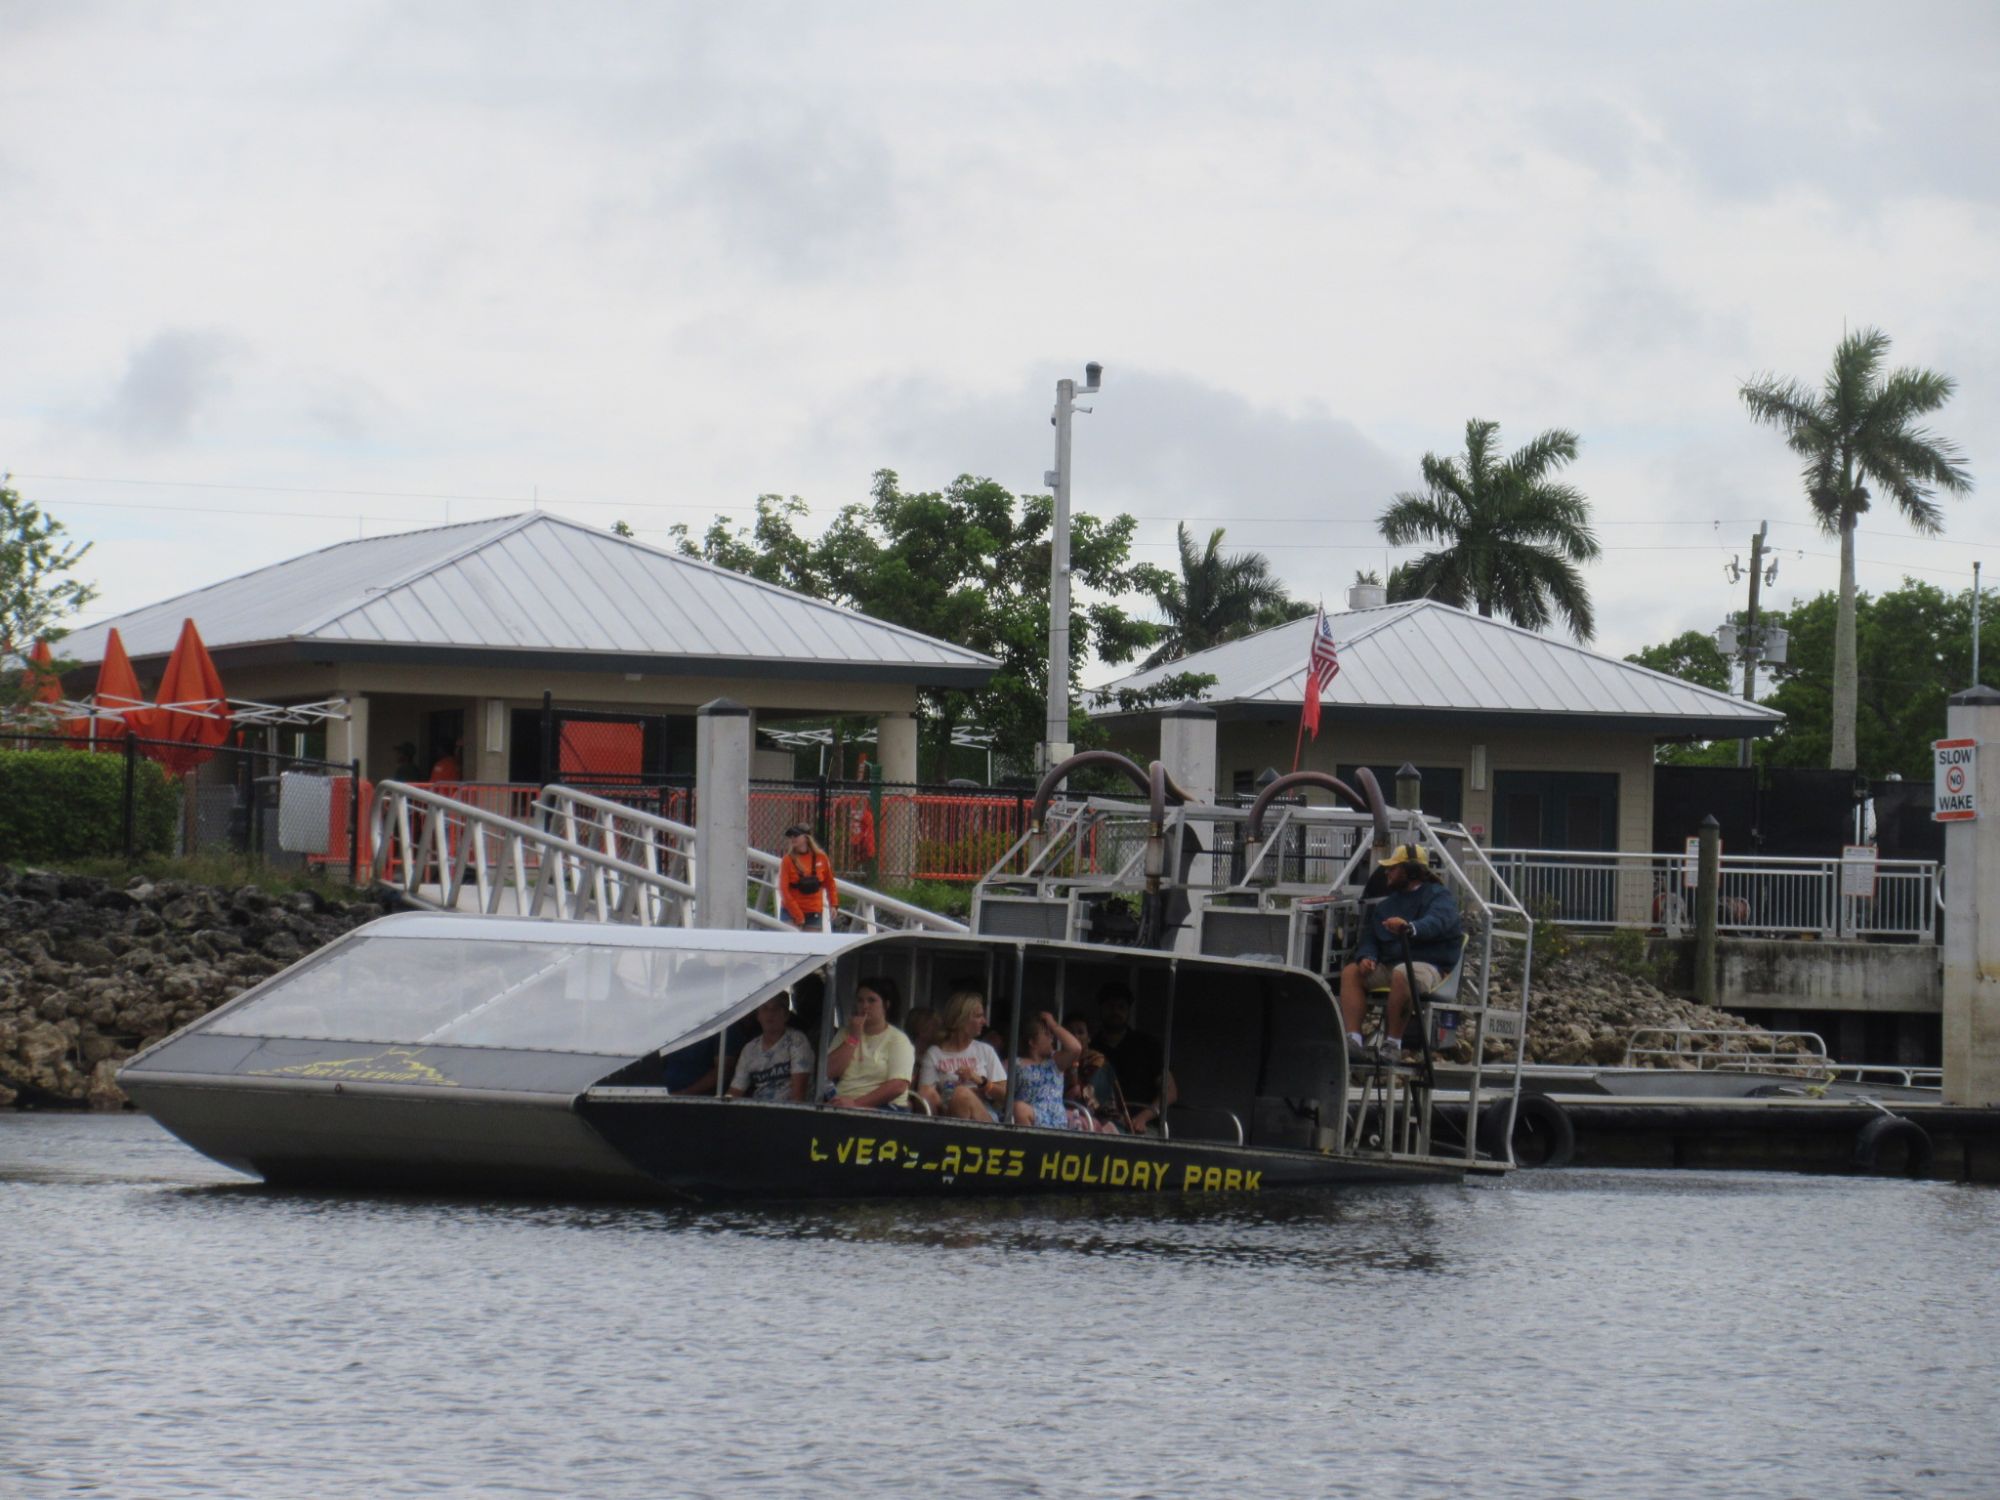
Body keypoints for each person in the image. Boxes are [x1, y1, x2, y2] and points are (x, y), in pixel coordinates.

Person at [1339, 843, 1463, 1063]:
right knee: (1351, 973)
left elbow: (1437, 922)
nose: (1387, 872)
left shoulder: (1439, 896)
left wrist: (1409, 928)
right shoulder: (1386, 906)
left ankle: (1392, 1044)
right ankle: (1353, 1041)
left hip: (1429, 967)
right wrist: (1367, 957)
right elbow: (1370, 937)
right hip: (1392, 965)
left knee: (1403, 973)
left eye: (1393, 868)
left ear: (1411, 871)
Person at [1093, 983, 1176, 1133]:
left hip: (1142, 1127)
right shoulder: (1092, 1047)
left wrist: (1144, 1117)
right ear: (1101, 1009)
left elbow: (1170, 1091)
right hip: (1099, 1125)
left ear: (1128, 1011)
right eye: (1110, 1007)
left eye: (1121, 1007)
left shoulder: (1147, 1045)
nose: (1116, 1012)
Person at [916, 989, 1007, 1122]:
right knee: (933, 1093)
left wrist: (978, 1080)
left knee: (961, 1093)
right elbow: (925, 1095)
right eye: (978, 1016)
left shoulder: (985, 1050)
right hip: (946, 1113)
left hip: (983, 1114)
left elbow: (1005, 1096)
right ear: (961, 1019)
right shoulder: (935, 1053)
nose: (984, 1021)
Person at [825, 976, 913, 1110]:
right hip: (842, 1103)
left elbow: (898, 1085)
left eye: (872, 1000)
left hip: (883, 1107)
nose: (865, 1006)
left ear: (886, 1005)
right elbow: (829, 1071)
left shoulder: (898, 1039)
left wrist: (856, 1104)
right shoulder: (845, 1033)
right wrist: (853, 1038)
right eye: (860, 1001)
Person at [727, 995, 815, 1103]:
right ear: (758, 1016)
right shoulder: (749, 1049)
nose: (770, 1013)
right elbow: (736, 1090)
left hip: (789, 1109)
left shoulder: (797, 1041)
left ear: (786, 1015)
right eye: (764, 1008)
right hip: (759, 1109)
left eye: (776, 1008)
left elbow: (799, 1095)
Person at [1010, 1011, 1084, 1128]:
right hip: (1030, 1117)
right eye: (1046, 1034)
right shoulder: (1015, 1063)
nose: (1052, 1038)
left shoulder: (1055, 1061)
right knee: (1019, 1109)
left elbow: (1076, 1048)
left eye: (1051, 1033)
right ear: (1032, 1042)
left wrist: (1053, 1025)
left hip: (1055, 1121)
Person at [778, 823, 839, 929]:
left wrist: (833, 904)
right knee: (789, 937)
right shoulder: (787, 860)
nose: (792, 838)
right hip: (790, 910)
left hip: (813, 910)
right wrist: (797, 914)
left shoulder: (821, 857)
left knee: (811, 939)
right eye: (791, 836)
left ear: (806, 838)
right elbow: (784, 890)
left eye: (796, 835)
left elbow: (830, 883)